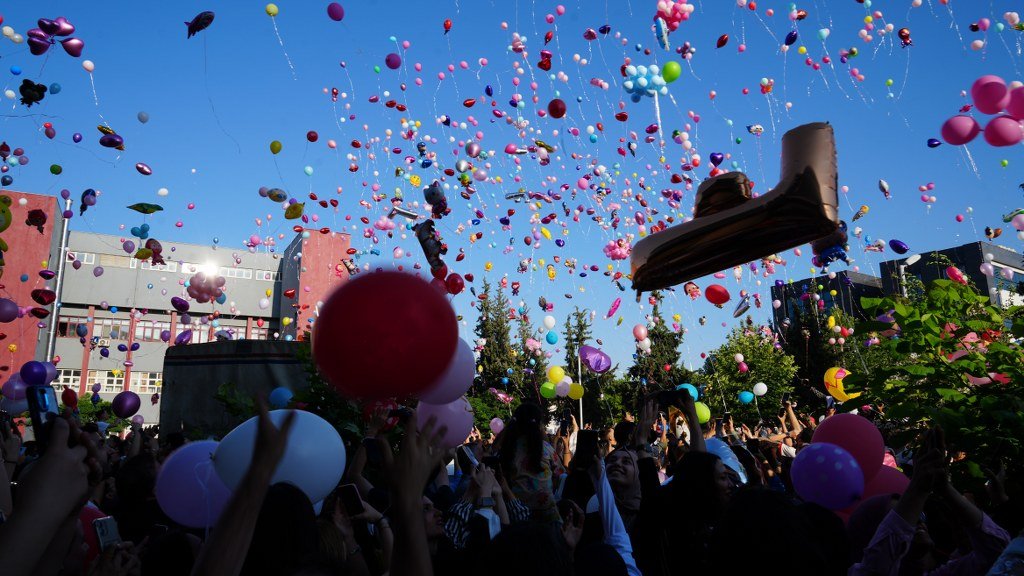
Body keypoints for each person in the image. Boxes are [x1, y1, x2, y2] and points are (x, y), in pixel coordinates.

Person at [498, 403, 563, 524]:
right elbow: (560, 474)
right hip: (548, 514)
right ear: (539, 425)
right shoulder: (546, 448)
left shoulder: (508, 450)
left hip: (516, 513)